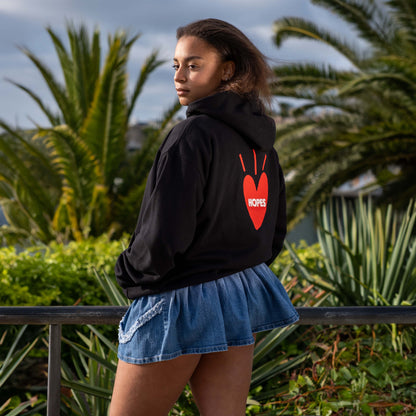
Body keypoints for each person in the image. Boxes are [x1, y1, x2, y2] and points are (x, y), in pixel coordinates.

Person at [109, 18, 299, 416]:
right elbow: (272, 231)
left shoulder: (191, 135)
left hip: (179, 298)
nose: (180, 76)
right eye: (176, 65)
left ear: (227, 69)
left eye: (194, 65)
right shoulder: (263, 145)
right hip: (237, 295)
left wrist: (128, 272)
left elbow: (163, 234)